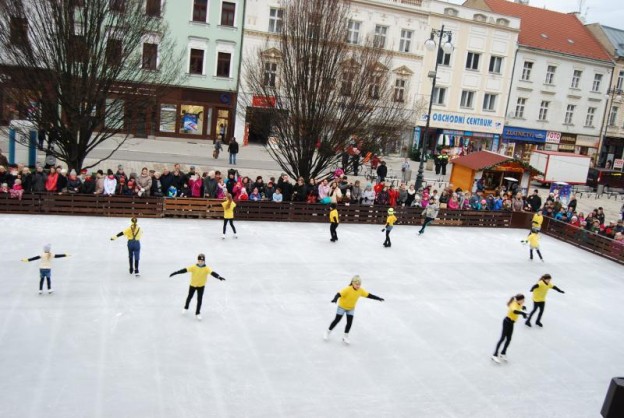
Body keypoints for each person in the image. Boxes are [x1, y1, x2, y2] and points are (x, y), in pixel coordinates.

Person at [323, 275, 384, 344]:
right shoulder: (348, 289)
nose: (358, 286)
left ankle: (345, 336)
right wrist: (335, 299)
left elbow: (369, 295)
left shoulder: (360, 290)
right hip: (342, 307)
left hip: (351, 308)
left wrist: (378, 298)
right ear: (352, 283)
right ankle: (327, 332)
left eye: (359, 284)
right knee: (337, 320)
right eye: (356, 284)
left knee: (349, 322)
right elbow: (339, 294)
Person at [169, 253, 226, 321]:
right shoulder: (193, 267)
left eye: (202, 261)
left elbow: (213, 273)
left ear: (204, 261)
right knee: (189, 297)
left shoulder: (206, 268)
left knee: (199, 300)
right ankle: (186, 307)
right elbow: (184, 270)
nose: (200, 262)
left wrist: (219, 277)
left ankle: (197, 313)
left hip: (201, 286)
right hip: (193, 285)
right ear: (197, 260)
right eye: (199, 261)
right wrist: (175, 272)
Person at [492, 294, 527, 363]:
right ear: (519, 300)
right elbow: (515, 311)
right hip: (507, 322)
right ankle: (494, 355)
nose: (524, 301)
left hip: (511, 323)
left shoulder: (518, 303)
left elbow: (519, 307)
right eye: (523, 300)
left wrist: (523, 308)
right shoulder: (514, 304)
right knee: (502, 338)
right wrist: (522, 313)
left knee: (509, 339)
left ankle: (503, 353)